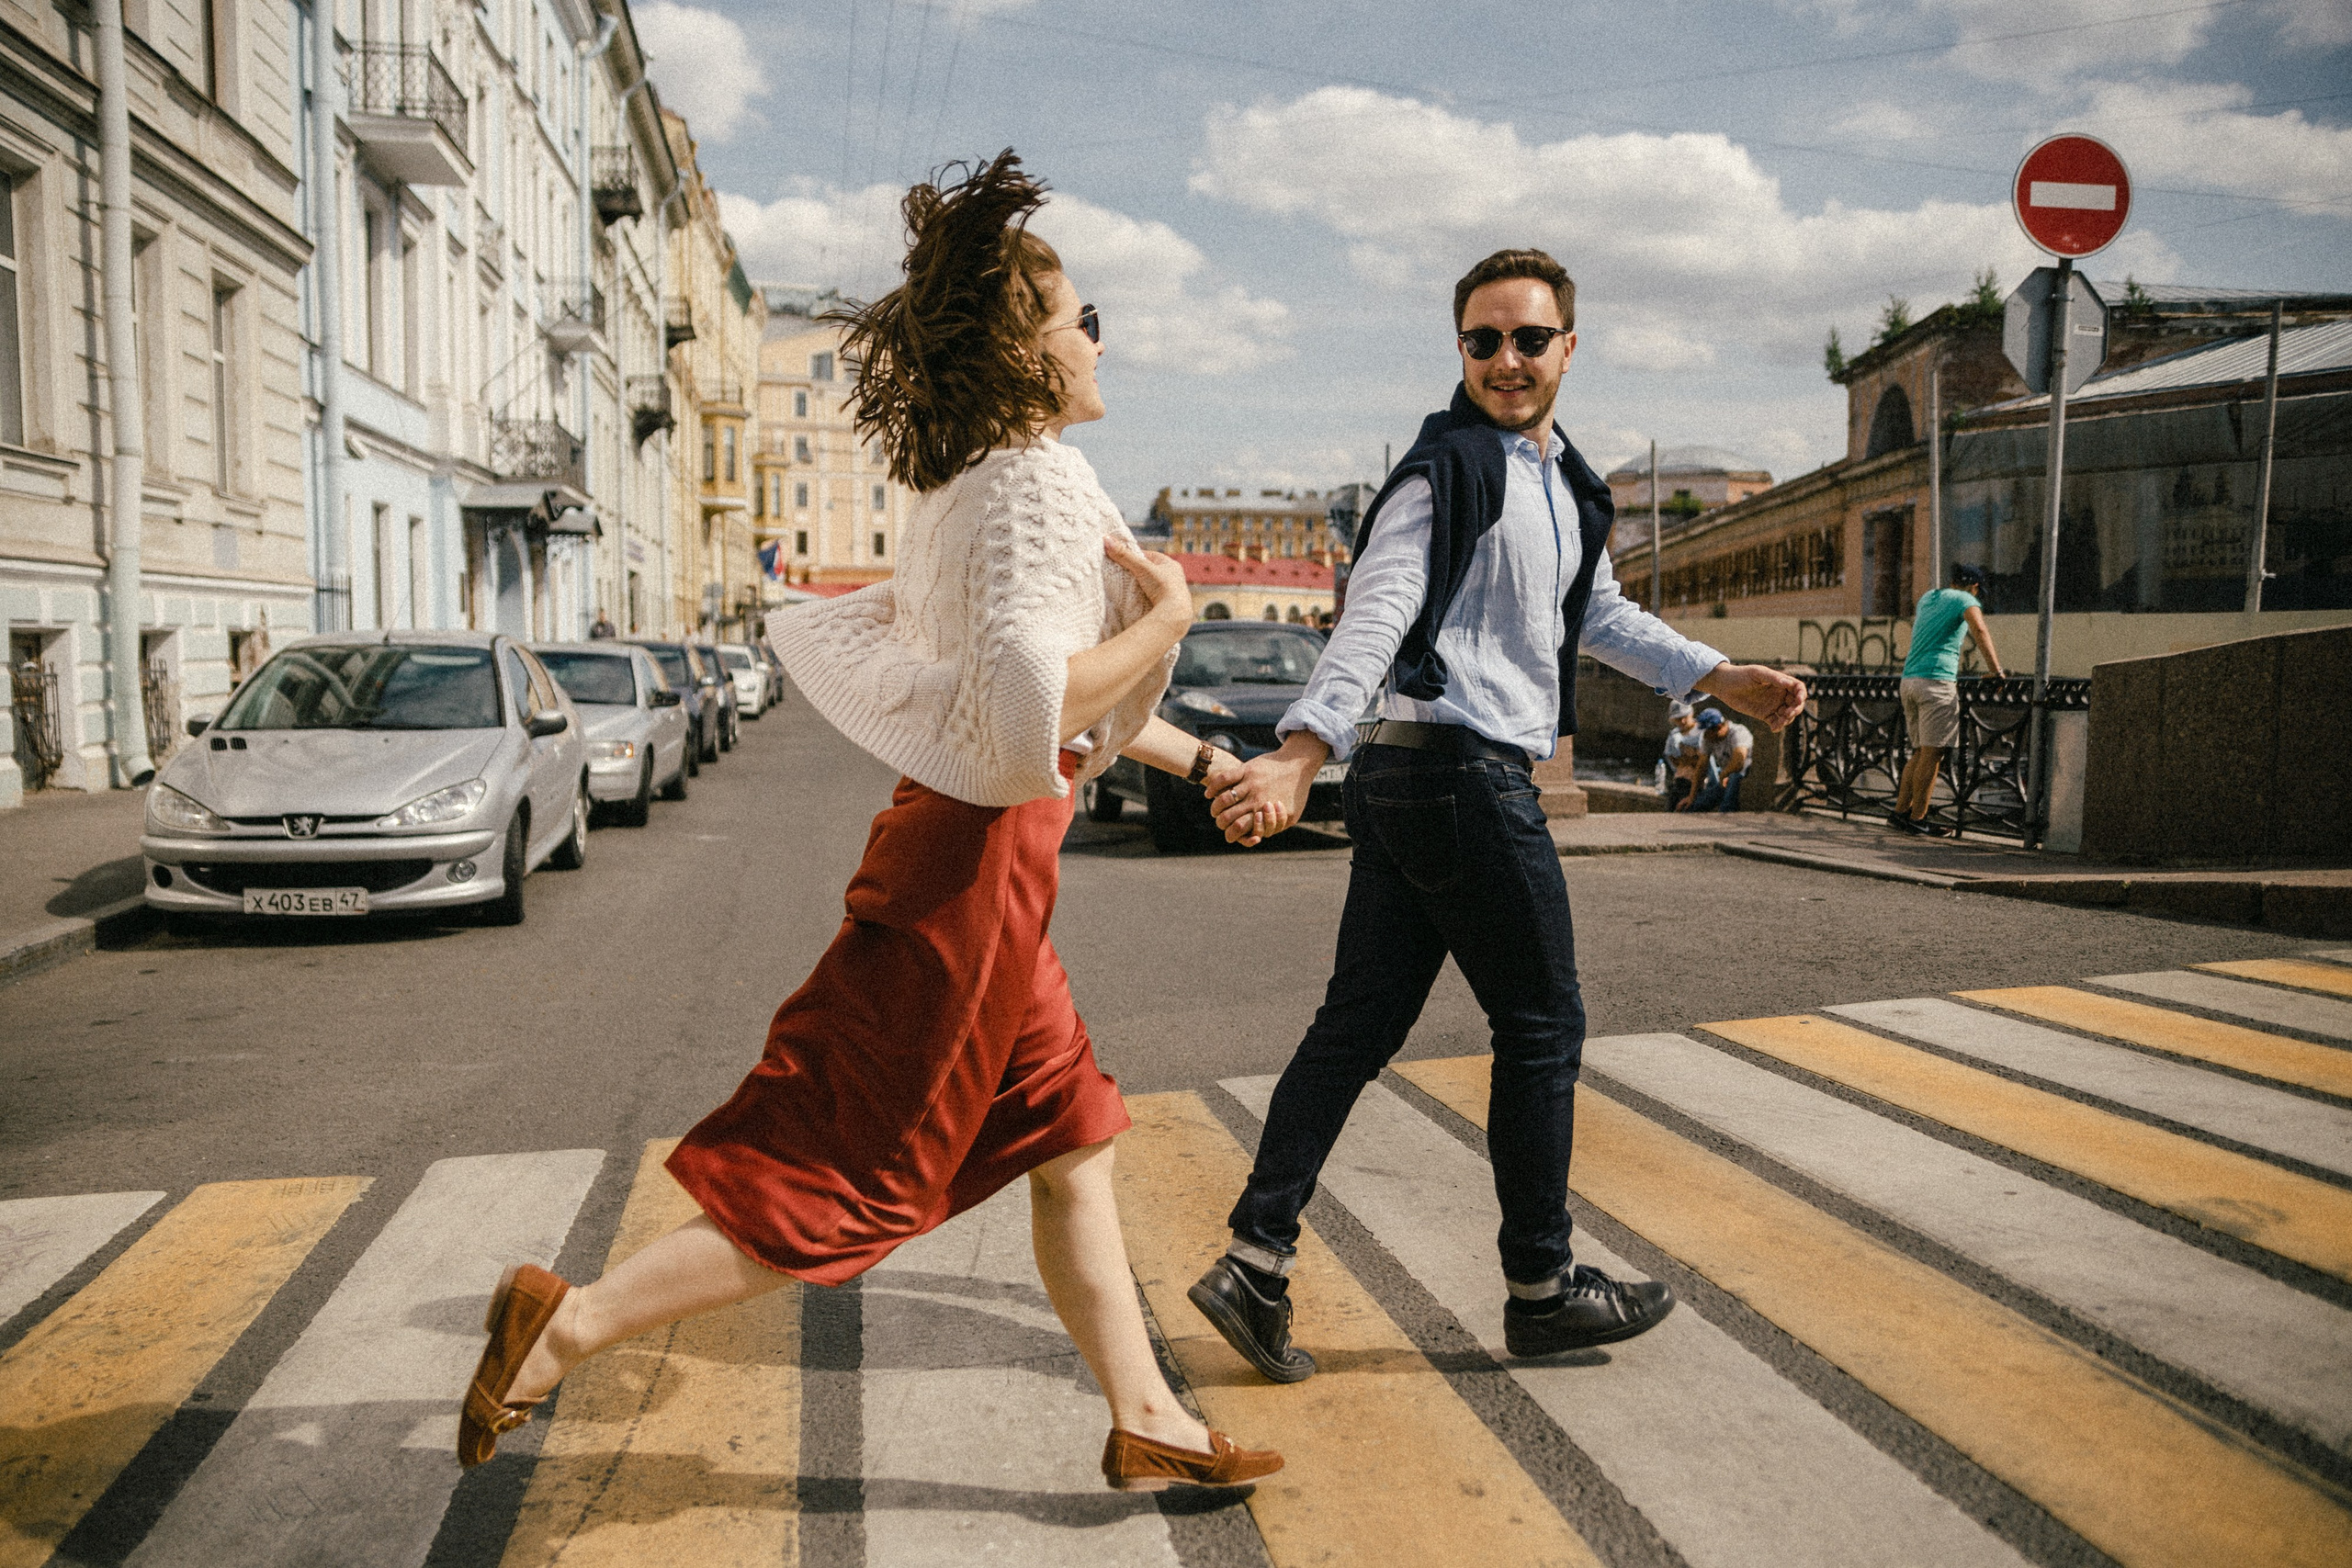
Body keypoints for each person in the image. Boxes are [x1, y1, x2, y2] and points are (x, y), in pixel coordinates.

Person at [456, 152, 1282, 1495]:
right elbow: (1030, 699)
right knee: (853, 1176)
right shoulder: (1035, 486)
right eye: (1082, 316)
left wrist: (1202, 759)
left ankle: (1151, 1417)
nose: (1098, 335)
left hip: (975, 850)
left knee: (1074, 1139)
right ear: (1024, 350)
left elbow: (1031, 706)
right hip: (975, 874)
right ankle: (574, 1318)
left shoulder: (970, 489)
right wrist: (1180, 615)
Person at [1188, 248, 1806, 1373]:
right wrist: (1298, 746)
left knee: (1359, 1025)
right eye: (1484, 340)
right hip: (1457, 775)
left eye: (1529, 339)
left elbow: (1599, 612)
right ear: (1460, 351)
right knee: (1540, 1026)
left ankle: (1255, 1262)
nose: (1507, 360)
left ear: (1570, 345)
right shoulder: (1447, 470)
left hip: (1422, 781)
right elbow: (1376, 611)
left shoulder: (1565, 482)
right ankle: (1542, 1285)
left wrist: (1719, 676)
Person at [1889, 562, 2005, 837]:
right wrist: (1996, 671)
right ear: (1974, 586)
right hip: (1936, 682)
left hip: (1910, 681)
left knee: (1918, 752)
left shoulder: (1929, 597)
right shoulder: (1967, 599)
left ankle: (1899, 813)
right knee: (1933, 754)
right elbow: (1980, 631)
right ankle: (1918, 819)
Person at [1689, 707, 1753, 813]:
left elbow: (1738, 762)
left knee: (1733, 777)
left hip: (1742, 775)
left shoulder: (1739, 732)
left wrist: (1724, 774)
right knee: (1697, 805)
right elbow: (1701, 767)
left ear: (1718, 727)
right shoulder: (1708, 738)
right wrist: (1692, 796)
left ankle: (1726, 811)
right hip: (1724, 778)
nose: (1703, 736)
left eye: (1705, 732)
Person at [1662, 700, 1703, 810]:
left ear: (1691, 713)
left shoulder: (1702, 732)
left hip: (1701, 778)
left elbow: (1704, 759)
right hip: (1681, 778)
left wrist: (1688, 761)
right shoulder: (1674, 735)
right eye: (1678, 719)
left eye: (1685, 717)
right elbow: (1671, 757)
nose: (1683, 721)